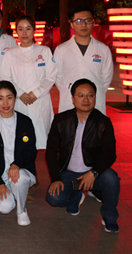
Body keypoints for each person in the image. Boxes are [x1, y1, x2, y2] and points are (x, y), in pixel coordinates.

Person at [45, 79, 120, 233]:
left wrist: (93, 173)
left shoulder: (103, 122)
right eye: (81, 95)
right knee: (54, 198)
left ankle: (110, 216)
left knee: (111, 178)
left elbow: (110, 154)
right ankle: (76, 197)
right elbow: (51, 151)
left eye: (90, 95)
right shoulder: (60, 120)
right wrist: (55, 178)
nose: (86, 99)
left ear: (95, 98)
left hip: (93, 172)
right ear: (73, 99)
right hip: (68, 173)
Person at [0, 81, 37, 226]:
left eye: (9, 97)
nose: (5, 103)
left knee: (18, 178)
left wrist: (17, 164)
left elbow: (31, 151)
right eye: (0, 98)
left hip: (21, 170)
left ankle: (21, 210)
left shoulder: (25, 122)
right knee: (4, 207)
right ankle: (15, 192)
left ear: (15, 98)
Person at [0, 15, 57, 149]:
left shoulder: (44, 51)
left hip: (40, 101)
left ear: (34, 30)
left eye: (28, 28)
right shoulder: (10, 54)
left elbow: (51, 76)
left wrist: (36, 93)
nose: (24, 33)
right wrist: (20, 93)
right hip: (20, 101)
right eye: (20, 29)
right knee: (21, 138)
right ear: (16, 31)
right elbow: (5, 78)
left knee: (42, 137)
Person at [53, 5, 113, 115]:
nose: (84, 25)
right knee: (69, 125)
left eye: (88, 20)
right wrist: (69, 89)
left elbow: (106, 78)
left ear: (93, 23)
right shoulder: (61, 50)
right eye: (79, 21)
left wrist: (95, 90)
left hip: (95, 103)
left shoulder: (103, 50)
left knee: (94, 125)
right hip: (69, 102)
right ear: (71, 24)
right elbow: (58, 77)